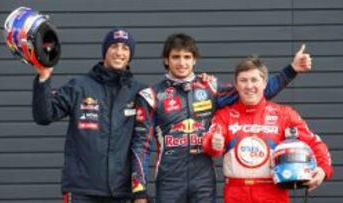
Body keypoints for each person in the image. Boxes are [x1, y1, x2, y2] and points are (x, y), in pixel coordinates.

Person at [131, 33, 313, 203]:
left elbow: (253, 92)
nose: (181, 62)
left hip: (203, 181)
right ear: (166, 60)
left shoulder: (209, 87)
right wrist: (139, 191)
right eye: (176, 57)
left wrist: (291, 70)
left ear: (194, 60)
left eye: (187, 57)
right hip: (169, 181)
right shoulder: (152, 95)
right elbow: (141, 147)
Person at [32, 28, 146, 203]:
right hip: (82, 190)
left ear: (130, 55)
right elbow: (44, 115)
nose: (119, 52)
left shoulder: (139, 92)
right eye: (114, 46)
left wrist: (202, 85)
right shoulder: (79, 86)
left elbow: (170, 111)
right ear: (104, 51)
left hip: (121, 192)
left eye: (125, 48)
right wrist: (44, 77)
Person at [202, 56, 333, 203]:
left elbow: (314, 143)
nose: (249, 86)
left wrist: (323, 169)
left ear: (264, 83)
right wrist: (214, 144)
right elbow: (209, 144)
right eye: (243, 80)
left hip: (273, 193)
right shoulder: (224, 115)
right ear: (236, 85)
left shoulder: (284, 114)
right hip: (235, 193)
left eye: (254, 80)